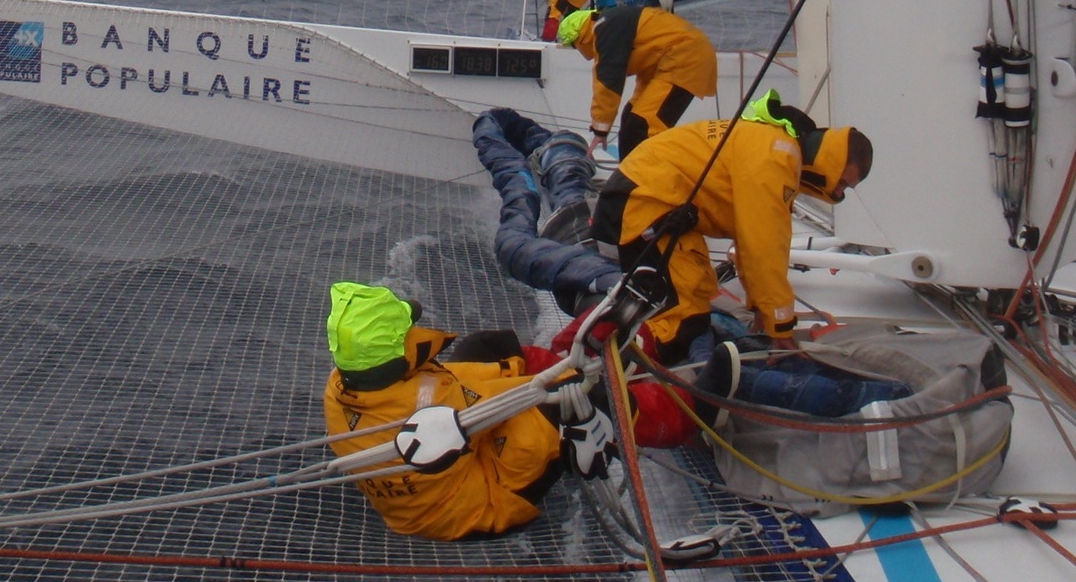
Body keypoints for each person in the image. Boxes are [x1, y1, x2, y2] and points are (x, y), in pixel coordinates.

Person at [589, 92, 872, 365]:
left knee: (699, 291)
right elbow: (764, 247)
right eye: (843, 182)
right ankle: (613, 367)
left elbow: (751, 242)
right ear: (831, 163)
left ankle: (623, 356)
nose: (838, 193)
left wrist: (763, 308)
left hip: (652, 204)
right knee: (683, 320)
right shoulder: (777, 156)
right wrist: (781, 326)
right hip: (643, 206)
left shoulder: (773, 145)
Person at [321, 282, 563, 539]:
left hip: (418, 498)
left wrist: (505, 368)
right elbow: (521, 394)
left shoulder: (335, 389)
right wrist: (570, 372)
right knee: (562, 397)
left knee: (481, 347)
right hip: (472, 514)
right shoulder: (435, 399)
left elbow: (453, 388)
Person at [557, 4, 718, 155]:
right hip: (667, 61)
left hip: (685, 59)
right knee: (630, 119)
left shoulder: (604, 30)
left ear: (578, 39)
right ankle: (627, 176)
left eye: (573, 46)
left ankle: (642, 181)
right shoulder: (609, 23)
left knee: (642, 127)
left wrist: (600, 128)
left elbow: (608, 81)